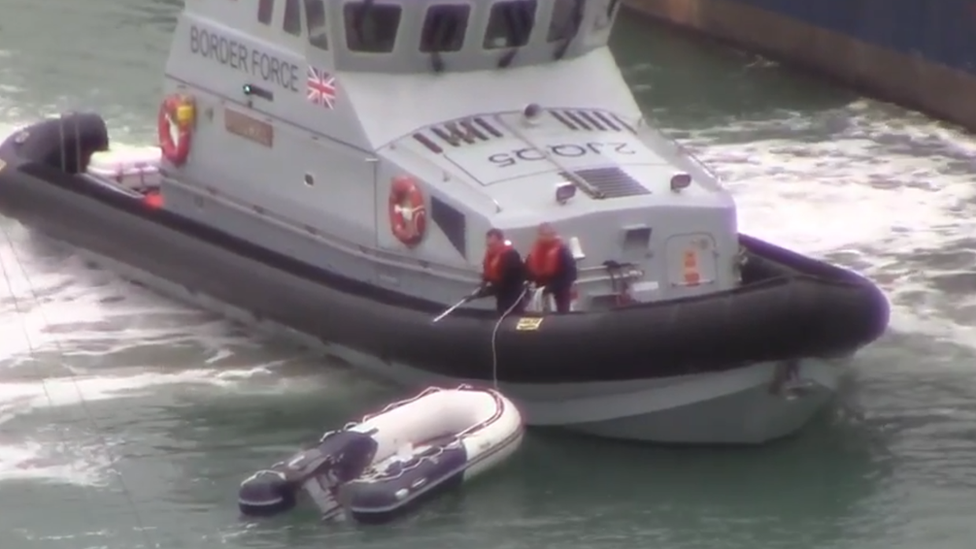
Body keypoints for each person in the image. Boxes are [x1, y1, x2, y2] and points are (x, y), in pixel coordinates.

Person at [525, 222, 578, 313]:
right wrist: (529, 279)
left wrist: (554, 286)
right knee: (539, 307)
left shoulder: (562, 250)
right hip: (541, 287)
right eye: (541, 234)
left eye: (546, 234)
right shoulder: (535, 250)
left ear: (553, 234)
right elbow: (528, 268)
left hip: (560, 287)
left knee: (563, 308)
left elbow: (571, 273)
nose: (543, 237)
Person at [478, 228, 527, 314]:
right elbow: (487, 274)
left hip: (512, 297)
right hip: (500, 297)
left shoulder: (511, 256)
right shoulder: (490, 257)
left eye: (493, 244)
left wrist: (489, 291)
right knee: (501, 309)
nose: (490, 247)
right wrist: (483, 284)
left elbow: (510, 282)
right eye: (488, 245)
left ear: (501, 241)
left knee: (511, 313)